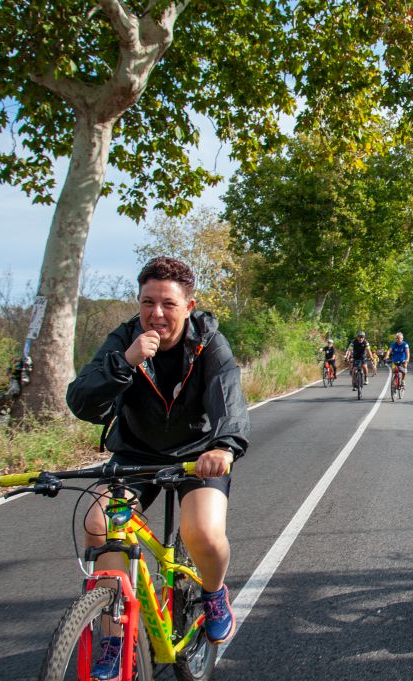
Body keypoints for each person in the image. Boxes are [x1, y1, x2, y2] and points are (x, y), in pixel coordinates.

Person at [66, 257, 249, 678]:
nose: (157, 313)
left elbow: (229, 399)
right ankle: (114, 635)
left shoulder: (209, 343)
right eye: (148, 302)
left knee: (201, 532)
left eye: (168, 303)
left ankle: (214, 592)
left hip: (198, 454)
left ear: (189, 305)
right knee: (100, 526)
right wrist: (124, 363)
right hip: (135, 456)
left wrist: (225, 445)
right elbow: (81, 402)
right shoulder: (124, 341)